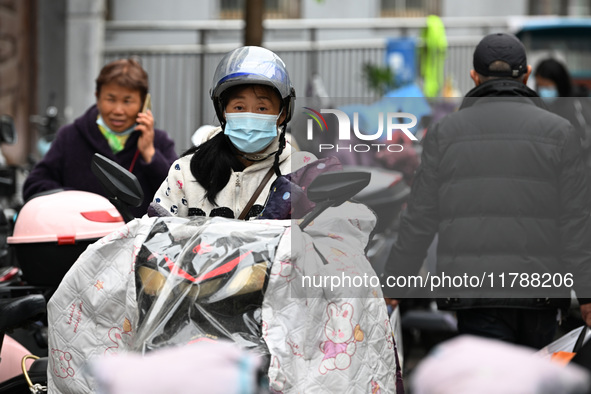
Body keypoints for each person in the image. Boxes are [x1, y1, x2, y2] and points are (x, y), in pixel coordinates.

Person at [384, 33, 591, 349]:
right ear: (526, 74)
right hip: (541, 296)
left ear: (474, 76)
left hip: (475, 296)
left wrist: (395, 282)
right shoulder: (560, 133)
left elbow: (420, 218)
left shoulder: (445, 133)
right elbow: (576, 222)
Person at [152, 46, 315, 219]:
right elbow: (156, 234)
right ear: (223, 111)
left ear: (282, 113)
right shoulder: (186, 171)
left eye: (262, 108)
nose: (250, 117)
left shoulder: (302, 171)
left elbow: (328, 235)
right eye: (239, 107)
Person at [23, 58, 178, 217]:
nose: (118, 110)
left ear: (143, 102)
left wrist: (150, 154)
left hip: (139, 240)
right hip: (84, 238)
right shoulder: (70, 136)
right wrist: (75, 200)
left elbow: (177, 198)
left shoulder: (159, 141)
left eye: (127, 101)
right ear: (97, 97)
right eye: (110, 99)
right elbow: (34, 186)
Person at [535, 58, 591, 174]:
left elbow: (585, 139)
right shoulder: (541, 106)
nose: (543, 91)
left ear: (559, 83)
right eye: (540, 86)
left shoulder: (577, 105)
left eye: (547, 86)